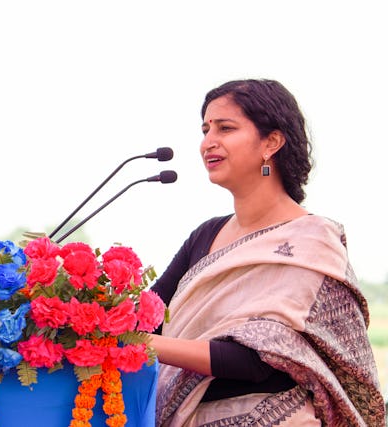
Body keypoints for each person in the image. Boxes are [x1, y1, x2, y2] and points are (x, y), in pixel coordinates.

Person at [149, 79, 385, 426]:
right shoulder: (205, 235)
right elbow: (148, 316)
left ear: (271, 142)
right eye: (205, 129)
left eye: (225, 128)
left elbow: (258, 360)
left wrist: (139, 344)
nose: (208, 142)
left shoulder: (311, 241)